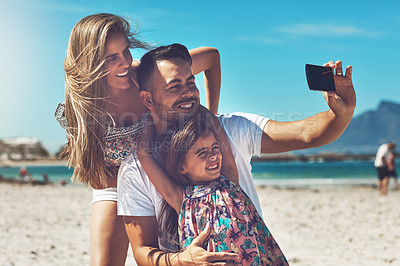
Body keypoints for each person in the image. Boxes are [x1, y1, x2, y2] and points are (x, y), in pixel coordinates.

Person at [117, 43, 356, 264]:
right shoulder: (135, 168)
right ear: (147, 99)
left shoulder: (232, 130)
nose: (188, 92)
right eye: (175, 86)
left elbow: (308, 134)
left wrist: (342, 113)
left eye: (191, 82)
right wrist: (180, 260)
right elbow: (142, 252)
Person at [55, 13, 222, 266]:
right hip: (113, 187)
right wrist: (132, 180)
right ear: (89, 61)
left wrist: (208, 117)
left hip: (170, 171)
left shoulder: (145, 75)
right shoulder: (78, 108)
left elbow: (212, 57)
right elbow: (94, 176)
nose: (125, 63)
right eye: (111, 58)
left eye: (126, 51)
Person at [139, 112, 288, 265]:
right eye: (201, 152)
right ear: (181, 167)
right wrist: (150, 117)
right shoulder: (182, 199)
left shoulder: (229, 180)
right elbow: (143, 154)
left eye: (215, 147)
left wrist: (192, 105)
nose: (213, 155)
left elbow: (214, 123)